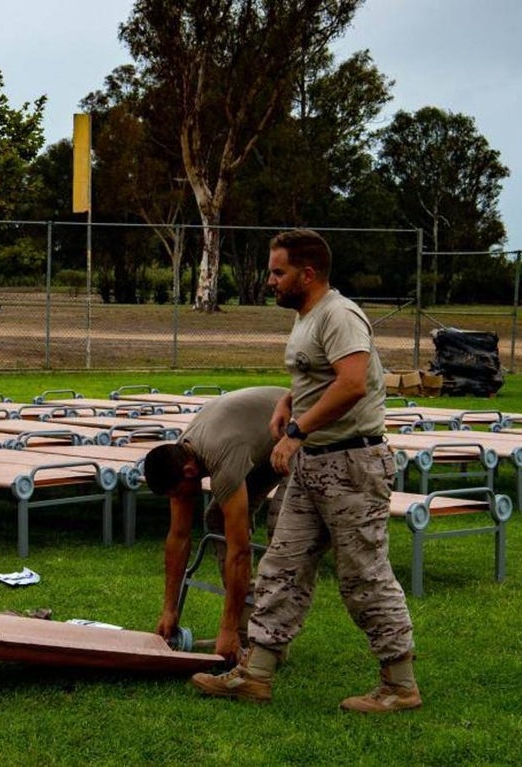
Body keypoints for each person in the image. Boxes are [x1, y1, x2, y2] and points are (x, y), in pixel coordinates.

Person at [190, 229, 420, 713]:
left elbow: (354, 383)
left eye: (279, 272)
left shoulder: (339, 314)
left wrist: (297, 430)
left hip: (352, 464)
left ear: (307, 274)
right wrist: (289, 398)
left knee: (364, 576)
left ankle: (400, 685)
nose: (271, 281)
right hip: (314, 464)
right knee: (281, 567)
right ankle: (255, 673)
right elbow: (322, 375)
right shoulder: (308, 318)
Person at [143, 386, 289, 665]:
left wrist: (226, 629)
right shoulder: (183, 455)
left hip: (306, 436)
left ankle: (271, 642)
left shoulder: (221, 456)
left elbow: (240, 550)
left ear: (189, 472)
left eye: (177, 494)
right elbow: (178, 536)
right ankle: (247, 629)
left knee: (283, 534)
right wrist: (169, 610)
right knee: (217, 518)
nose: (179, 501)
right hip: (261, 439)